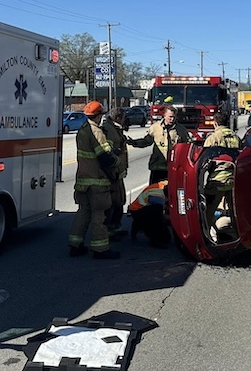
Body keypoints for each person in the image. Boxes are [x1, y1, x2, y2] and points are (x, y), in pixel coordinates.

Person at [67, 101, 121, 259]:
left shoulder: (82, 130)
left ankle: (75, 245)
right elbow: (105, 158)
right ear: (98, 116)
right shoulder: (96, 132)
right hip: (97, 182)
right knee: (99, 215)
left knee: (83, 212)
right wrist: (116, 159)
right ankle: (100, 249)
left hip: (83, 181)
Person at [202, 112, 242, 242]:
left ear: (215, 123)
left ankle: (206, 237)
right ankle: (238, 236)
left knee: (208, 211)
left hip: (217, 181)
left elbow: (205, 160)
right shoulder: (236, 138)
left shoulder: (213, 138)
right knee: (235, 211)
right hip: (234, 180)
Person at [128, 104, 191, 184]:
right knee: (154, 192)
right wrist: (134, 142)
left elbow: (187, 146)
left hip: (173, 168)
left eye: (174, 117)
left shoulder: (181, 130)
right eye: (170, 117)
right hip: (157, 167)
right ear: (164, 116)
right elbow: (147, 141)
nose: (172, 119)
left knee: (170, 193)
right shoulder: (155, 128)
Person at [102, 107, 130, 239]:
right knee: (113, 203)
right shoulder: (108, 130)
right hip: (112, 173)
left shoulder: (115, 129)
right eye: (124, 118)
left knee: (120, 201)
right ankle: (109, 229)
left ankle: (116, 227)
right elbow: (107, 153)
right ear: (118, 118)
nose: (125, 121)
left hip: (118, 172)